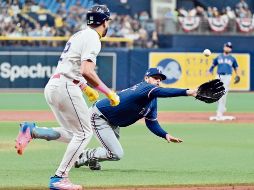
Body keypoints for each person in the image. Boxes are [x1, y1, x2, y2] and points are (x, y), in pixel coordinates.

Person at [15, 4, 119, 190]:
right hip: (66, 87)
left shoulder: (78, 35)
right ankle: (59, 178)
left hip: (54, 85)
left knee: (73, 134)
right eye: (107, 22)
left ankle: (33, 131)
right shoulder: (94, 37)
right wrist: (108, 91)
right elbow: (86, 70)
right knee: (85, 133)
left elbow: (71, 68)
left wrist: (85, 88)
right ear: (104, 22)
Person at [74, 68, 198, 171]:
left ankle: (91, 159)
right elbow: (166, 92)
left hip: (113, 121)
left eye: (160, 80)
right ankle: (85, 155)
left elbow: (151, 122)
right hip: (100, 116)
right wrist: (188, 92)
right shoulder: (144, 87)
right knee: (116, 153)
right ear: (146, 78)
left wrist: (165, 135)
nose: (158, 81)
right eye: (155, 78)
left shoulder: (152, 100)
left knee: (110, 150)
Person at [208, 42, 239, 121]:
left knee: (223, 94)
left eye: (230, 47)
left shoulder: (232, 58)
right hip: (218, 76)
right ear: (224, 47)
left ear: (231, 49)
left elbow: (236, 67)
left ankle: (219, 112)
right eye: (227, 46)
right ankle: (222, 108)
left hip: (227, 76)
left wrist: (237, 75)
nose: (228, 48)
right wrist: (210, 70)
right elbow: (213, 65)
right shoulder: (218, 57)